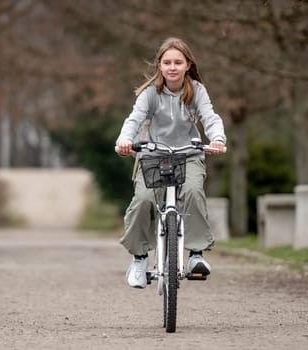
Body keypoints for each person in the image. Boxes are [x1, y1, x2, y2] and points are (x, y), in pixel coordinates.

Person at [114, 37, 226, 289]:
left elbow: (210, 117)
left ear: (188, 65)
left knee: (194, 192)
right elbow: (134, 119)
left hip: (189, 154)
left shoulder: (197, 90)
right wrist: (125, 141)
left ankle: (196, 255)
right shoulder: (150, 93)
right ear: (160, 66)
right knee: (143, 199)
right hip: (153, 155)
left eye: (178, 62)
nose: (172, 67)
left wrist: (217, 138)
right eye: (167, 62)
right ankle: (140, 258)